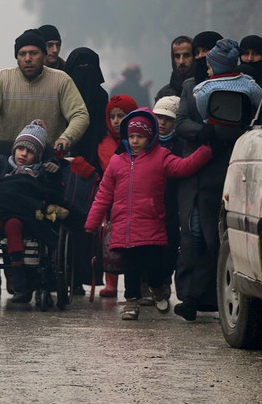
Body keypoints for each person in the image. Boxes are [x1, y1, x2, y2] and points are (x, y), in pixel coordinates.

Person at [85, 109, 213, 320]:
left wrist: (206, 151)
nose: (135, 141)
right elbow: (104, 194)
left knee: (154, 268)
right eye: (132, 136)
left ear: (150, 137)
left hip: (151, 226)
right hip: (123, 229)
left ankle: (158, 288)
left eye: (140, 137)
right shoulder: (117, 162)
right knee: (131, 269)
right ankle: (132, 303)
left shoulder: (161, 157)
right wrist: (92, 221)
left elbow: (182, 167)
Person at [0, 119, 63, 303]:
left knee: (13, 224)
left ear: (37, 156)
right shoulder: (0, 162)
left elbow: (51, 194)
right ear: (15, 149)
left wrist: (53, 174)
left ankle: (18, 275)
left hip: (22, 213)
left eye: (30, 152)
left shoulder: (40, 171)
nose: (24, 154)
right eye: (21, 149)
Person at [173, 30, 227, 321]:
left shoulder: (239, 87)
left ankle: (208, 296)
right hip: (193, 173)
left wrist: (223, 135)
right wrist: (203, 134)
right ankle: (189, 295)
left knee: (216, 238)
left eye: (208, 51)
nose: (201, 57)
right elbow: (181, 122)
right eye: (198, 51)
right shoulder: (190, 86)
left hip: (224, 174)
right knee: (193, 236)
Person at [0, 29, 89, 155]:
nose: (28, 58)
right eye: (22, 54)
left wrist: (67, 137)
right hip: (8, 160)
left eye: (33, 53)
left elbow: (79, 114)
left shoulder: (61, 81)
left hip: (48, 161)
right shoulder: (2, 79)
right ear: (16, 57)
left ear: (44, 56)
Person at [93, 93, 138, 298]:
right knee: (108, 241)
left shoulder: (139, 142)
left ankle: (141, 284)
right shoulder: (102, 144)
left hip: (135, 197)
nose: (116, 121)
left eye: (121, 116)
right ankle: (111, 282)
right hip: (111, 199)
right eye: (112, 116)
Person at [153, 95, 183, 305]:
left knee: (170, 247)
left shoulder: (180, 144)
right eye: (159, 118)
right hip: (149, 205)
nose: (162, 123)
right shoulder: (145, 142)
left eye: (168, 119)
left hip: (172, 205)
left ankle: (164, 280)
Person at [194, 38, 262, 123]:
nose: (207, 71)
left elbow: (205, 118)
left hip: (215, 132)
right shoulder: (250, 85)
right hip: (245, 130)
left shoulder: (204, 89)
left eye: (209, 67)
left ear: (217, 67)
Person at [63, 47, 108, 169]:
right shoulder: (62, 94)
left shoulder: (101, 96)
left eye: (88, 65)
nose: (84, 71)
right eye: (79, 66)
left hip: (95, 155)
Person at [155, 36, 194, 101]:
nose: (181, 61)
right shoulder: (164, 95)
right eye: (177, 56)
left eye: (186, 55)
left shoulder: (204, 88)